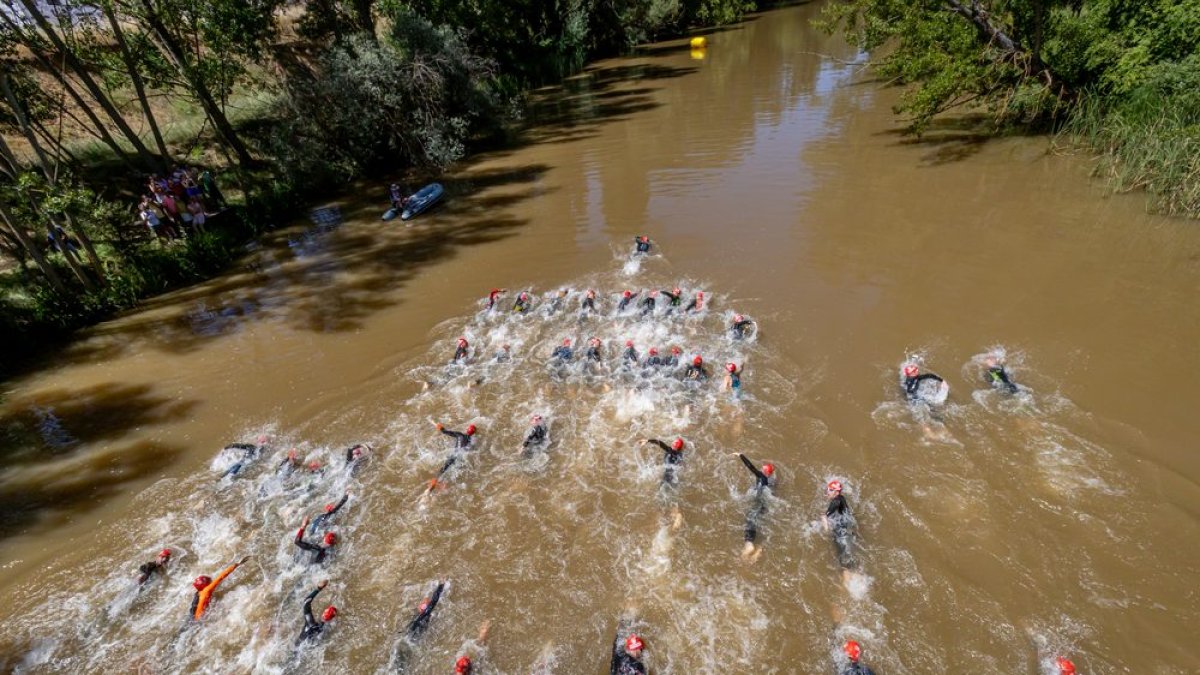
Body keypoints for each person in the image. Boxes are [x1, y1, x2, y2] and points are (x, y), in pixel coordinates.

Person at [736, 453, 775, 561]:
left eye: (763, 469)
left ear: (766, 472)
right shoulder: (769, 481)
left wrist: (740, 455)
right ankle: (759, 550)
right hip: (763, 505)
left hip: (759, 503)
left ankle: (749, 545)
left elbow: (751, 467)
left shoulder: (761, 476)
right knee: (755, 520)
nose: (761, 469)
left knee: (749, 519)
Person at [189, 556, 250, 620]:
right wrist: (237, 564)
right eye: (209, 582)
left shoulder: (199, 593)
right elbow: (220, 577)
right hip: (198, 621)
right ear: (205, 585)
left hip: (193, 620)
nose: (211, 582)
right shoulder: (207, 590)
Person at [823, 480, 858, 585]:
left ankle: (845, 589)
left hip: (842, 536)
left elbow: (825, 517)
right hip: (847, 533)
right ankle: (857, 580)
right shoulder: (842, 499)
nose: (827, 492)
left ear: (836, 492)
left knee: (845, 567)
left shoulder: (835, 502)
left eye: (830, 490)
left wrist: (825, 528)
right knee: (847, 565)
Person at [296, 580, 337, 645]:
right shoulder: (325, 630)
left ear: (324, 614)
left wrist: (318, 589)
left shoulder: (310, 623)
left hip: (296, 650)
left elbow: (306, 602)